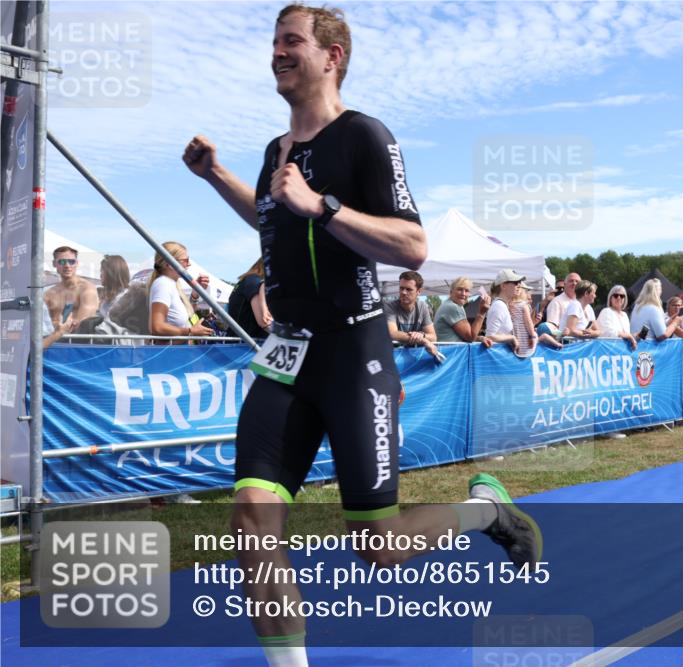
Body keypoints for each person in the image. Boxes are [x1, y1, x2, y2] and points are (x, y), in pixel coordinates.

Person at [183, 7, 539, 665]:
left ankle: (488, 510)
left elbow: (414, 245)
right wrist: (218, 176)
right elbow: (272, 216)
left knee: (378, 544)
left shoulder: (366, 137)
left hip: (353, 355)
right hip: (287, 353)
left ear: (332, 55)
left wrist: (325, 205)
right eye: (274, 43)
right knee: (252, 521)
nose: (277, 53)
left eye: (292, 42)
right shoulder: (275, 152)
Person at [147, 242, 215, 343]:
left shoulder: (172, 284)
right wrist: (191, 331)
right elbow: (157, 327)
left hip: (176, 353)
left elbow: (187, 316)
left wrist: (195, 294)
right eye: (185, 260)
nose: (189, 264)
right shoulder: (163, 284)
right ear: (170, 264)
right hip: (170, 355)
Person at [385, 270, 442, 361]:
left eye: (408, 289)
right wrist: (423, 339)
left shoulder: (422, 306)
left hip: (412, 359)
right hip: (393, 358)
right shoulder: (389, 306)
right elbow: (393, 333)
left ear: (419, 291)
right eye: (401, 288)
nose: (403, 292)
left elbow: (433, 337)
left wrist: (421, 335)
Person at [43, 246, 99, 334]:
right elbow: (41, 322)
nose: (67, 266)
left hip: (74, 342)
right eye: (62, 262)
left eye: (71, 261)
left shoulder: (86, 288)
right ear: (54, 264)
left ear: (77, 263)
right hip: (52, 342)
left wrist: (55, 325)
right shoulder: (49, 293)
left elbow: (82, 323)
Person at [433, 277, 492, 347]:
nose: (463, 294)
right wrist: (481, 313)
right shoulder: (453, 307)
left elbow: (464, 336)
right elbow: (471, 337)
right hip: (449, 353)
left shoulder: (454, 305)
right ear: (451, 292)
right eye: (460, 289)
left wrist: (480, 338)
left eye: (467, 291)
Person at [227, 258, 273, 339]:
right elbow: (264, 322)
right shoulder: (254, 282)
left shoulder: (246, 281)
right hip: (247, 345)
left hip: (238, 342)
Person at [596, 284, 636, 349]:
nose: (619, 298)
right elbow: (607, 332)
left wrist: (634, 336)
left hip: (623, 351)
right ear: (610, 298)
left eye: (622, 296)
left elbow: (626, 334)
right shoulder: (606, 311)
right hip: (608, 351)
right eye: (615, 295)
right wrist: (628, 336)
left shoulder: (625, 315)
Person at [97, 255, 131, 319]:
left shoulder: (124, 298)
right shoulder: (110, 296)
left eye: (102, 271)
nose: (100, 275)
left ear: (111, 273)